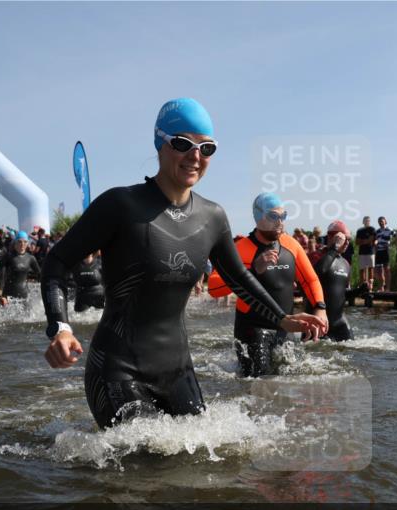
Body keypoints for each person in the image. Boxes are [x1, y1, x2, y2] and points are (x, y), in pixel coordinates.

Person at [42, 99, 325, 427]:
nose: (195, 156)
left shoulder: (212, 217)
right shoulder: (120, 205)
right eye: (182, 144)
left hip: (177, 372)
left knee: (203, 454)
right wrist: (60, 328)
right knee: (143, 455)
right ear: (159, 143)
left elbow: (239, 278)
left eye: (207, 148)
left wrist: (282, 318)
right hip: (117, 369)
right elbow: (56, 262)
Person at [207, 193, 327, 377]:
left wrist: (320, 308)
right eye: (273, 216)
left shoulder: (291, 245)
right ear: (258, 217)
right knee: (258, 383)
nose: (280, 222)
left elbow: (310, 280)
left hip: (286, 328)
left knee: (292, 382)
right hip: (252, 329)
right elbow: (213, 288)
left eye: (283, 216)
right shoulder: (240, 248)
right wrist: (252, 269)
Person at [308, 221, 354, 341]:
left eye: (349, 239)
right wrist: (334, 248)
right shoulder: (315, 256)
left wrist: (360, 291)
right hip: (318, 319)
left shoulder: (345, 263)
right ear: (331, 237)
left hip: (339, 321)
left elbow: (343, 295)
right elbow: (318, 273)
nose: (347, 243)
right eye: (344, 239)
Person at [0, 230, 42, 299]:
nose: (22, 244)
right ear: (15, 242)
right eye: (20, 241)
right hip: (8, 293)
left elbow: (39, 274)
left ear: (27, 243)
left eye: (25, 242)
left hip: (24, 293)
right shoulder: (8, 256)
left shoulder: (31, 258)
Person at [355, 216, 376, 291]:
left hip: (370, 252)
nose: (367, 222)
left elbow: (372, 239)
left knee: (371, 268)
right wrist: (366, 241)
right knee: (362, 269)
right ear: (363, 222)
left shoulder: (372, 229)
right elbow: (357, 242)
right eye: (366, 220)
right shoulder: (359, 230)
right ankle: (363, 286)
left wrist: (363, 241)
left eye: (368, 220)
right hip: (362, 252)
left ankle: (370, 286)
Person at [373, 216, 393, 291]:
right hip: (378, 252)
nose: (381, 222)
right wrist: (375, 243)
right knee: (379, 271)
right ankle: (381, 288)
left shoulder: (389, 229)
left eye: (382, 221)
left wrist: (391, 243)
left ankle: (388, 288)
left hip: (385, 251)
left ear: (385, 221)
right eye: (379, 221)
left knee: (387, 270)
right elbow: (375, 240)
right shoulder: (377, 231)